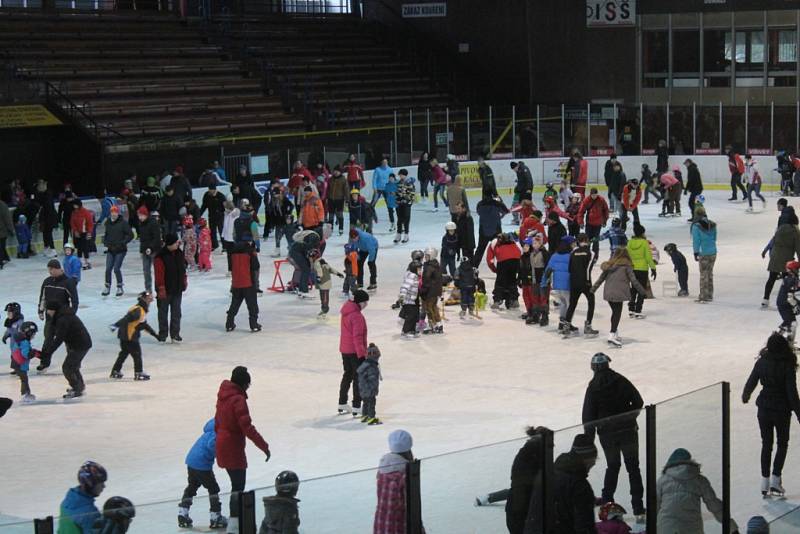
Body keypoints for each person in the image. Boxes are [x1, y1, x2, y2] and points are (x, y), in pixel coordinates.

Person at [582, 352, 645, 515]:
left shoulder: (593, 386)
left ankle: (607, 501)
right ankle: (638, 506)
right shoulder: (620, 380)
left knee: (613, 466)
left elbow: (588, 416)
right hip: (628, 431)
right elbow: (638, 401)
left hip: (607, 435)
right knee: (633, 467)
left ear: (594, 368)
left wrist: (589, 440)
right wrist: (629, 417)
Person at [742, 333, 800, 497]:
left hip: (764, 408)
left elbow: (752, 380)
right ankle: (776, 479)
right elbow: (792, 393)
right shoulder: (787, 364)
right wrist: (799, 413)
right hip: (781, 410)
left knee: (766, 443)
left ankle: (764, 481)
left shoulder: (762, 361)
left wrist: (746, 394)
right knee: (782, 443)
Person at [215, 366, 271, 527]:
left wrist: (218, 441)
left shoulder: (223, 396)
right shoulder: (238, 400)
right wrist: (264, 446)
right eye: (248, 384)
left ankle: (235, 522)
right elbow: (247, 427)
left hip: (223, 444)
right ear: (243, 384)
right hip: (232, 448)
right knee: (238, 487)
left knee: (236, 486)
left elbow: (217, 420)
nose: (248, 387)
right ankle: (235, 524)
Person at [656, 448, 738, 533]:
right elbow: (714, 504)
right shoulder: (700, 480)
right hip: (692, 528)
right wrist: (731, 526)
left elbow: (655, 506)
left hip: (667, 527)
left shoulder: (662, 481)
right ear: (690, 461)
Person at [590, 247, 647, 347]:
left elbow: (601, 278)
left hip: (608, 293)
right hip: (619, 293)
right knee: (617, 313)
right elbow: (634, 281)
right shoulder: (627, 266)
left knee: (614, 312)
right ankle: (611, 335)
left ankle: (614, 333)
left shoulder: (609, 265)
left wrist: (593, 289)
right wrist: (642, 292)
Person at [178, 418, 228, 530]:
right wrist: (221, 454)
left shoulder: (211, 428)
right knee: (213, 488)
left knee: (192, 486)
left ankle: (182, 513)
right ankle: (215, 517)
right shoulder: (218, 432)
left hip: (191, 461)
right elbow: (212, 444)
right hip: (202, 464)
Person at [41, 300, 92, 399]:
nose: (47, 312)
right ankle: (79, 387)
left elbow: (59, 338)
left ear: (53, 310)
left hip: (80, 345)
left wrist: (48, 352)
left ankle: (77, 389)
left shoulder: (63, 319)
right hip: (77, 343)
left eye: (49, 310)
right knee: (73, 366)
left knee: (67, 368)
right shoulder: (61, 315)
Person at [36, 259, 79, 371]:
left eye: (51, 269)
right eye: (48, 269)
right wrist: (40, 310)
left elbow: (74, 301)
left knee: (68, 341)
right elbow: (43, 297)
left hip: (63, 317)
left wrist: (71, 314)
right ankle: (44, 362)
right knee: (48, 340)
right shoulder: (47, 282)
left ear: (57, 269)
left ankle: (73, 363)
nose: (49, 272)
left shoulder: (68, 282)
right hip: (50, 317)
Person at [374, 429, 418, 534]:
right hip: (400, 526)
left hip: (381, 525)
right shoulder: (405, 474)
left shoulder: (382, 470)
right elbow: (412, 507)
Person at [552, 434, 598, 534]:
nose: (594, 463)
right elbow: (585, 527)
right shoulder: (580, 486)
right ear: (586, 458)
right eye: (594, 459)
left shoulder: (552, 474)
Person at [109, 291, 158, 381]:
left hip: (125, 336)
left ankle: (115, 371)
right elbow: (126, 319)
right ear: (143, 299)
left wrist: (155, 335)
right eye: (149, 297)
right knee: (137, 354)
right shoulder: (138, 310)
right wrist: (116, 325)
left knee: (124, 353)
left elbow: (144, 325)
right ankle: (138, 373)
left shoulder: (141, 309)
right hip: (129, 336)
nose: (151, 299)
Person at [338, 289, 369, 417]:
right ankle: (357, 406)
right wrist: (361, 354)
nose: (366, 305)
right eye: (365, 302)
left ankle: (342, 403)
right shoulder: (357, 316)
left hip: (345, 350)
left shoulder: (346, 311)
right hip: (355, 352)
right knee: (358, 378)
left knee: (347, 375)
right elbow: (357, 337)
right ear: (360, 302)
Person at [153, 234, 187, 342]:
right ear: (170, 244)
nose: (178, 244)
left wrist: (184, 280)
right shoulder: (160, 256)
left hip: (177, 288)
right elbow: (159, 274)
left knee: (176, 312)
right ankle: (163, 334)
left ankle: (175, 334)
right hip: (165, 289)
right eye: (176, 242)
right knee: (163, 313)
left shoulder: (179, 253)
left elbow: (182, 268)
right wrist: (161, 288)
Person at [762, 211, 800, 307]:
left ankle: (765, 299)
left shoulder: (780, 229)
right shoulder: (795, 231)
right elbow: (798, 248)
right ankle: (787, 300)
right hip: (786, 259)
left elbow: (773, 242)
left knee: (771, 278)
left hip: (775, 257)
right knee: (787, 280)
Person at [57, 461, 107, 534]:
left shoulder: (67, 501)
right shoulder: (90, 514)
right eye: (100, 483)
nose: (103, 486)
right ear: (90, 484)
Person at [564, 233, 598, 337]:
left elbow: (569, 268)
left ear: (578, 241)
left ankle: (566, 326)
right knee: (591, 302)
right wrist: (587, 281)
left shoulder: (573, 252)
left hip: (574, 281)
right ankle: (588, 326)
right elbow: (588, 268)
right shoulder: (591, 252)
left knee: (572, 304)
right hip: (585, 282)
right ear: (587, 240)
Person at [225, 242, 261, 332]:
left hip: (236, 282)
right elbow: (256, 266)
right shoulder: (250, 251)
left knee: (234, 304)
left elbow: (230, 267)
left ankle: (229, 323)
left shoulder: (232, 252)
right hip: (248, 282)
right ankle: (254, 324)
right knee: (252, 305)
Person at [101, 206, 133, 297]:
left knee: (116, 268)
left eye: (115, 212)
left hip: (121, 250)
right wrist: (106, 243)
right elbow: (106, 234)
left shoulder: (123, 223)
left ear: (118, 213)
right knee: (108, 269)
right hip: (111, 249)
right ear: (110, 213)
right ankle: (107, 286)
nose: (114, 214)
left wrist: (122, 243)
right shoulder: (108, 223)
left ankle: (119, 287)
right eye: (112, 212)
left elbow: (130, 235)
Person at [627, 224, 657, 319]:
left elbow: (627, 255)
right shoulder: (644, 243)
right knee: (641, 290)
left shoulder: (630, 242)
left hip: (632, 269)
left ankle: (631, 309)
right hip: (642, 269)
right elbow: (648, 257)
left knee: (633, 289)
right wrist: (653, 268)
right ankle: (638, 310)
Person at [488, 233, 522, 311]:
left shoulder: (493, 243)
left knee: (500, 282)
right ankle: (514, 300)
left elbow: (489, 259)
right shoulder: (512, 240)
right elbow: (519, 251)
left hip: (503, 261)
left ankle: (497, 300)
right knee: (512, 280)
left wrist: (494, 269)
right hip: (516, 259)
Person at [691, 207, 718, 303]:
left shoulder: (696, 226)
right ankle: (710, 294)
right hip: (713, 252)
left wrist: (696, 252)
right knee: (709, 273)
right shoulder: (712, 224)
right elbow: (714, 238)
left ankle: (703, 296)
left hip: (704, 252)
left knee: (703, 275)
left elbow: (696, 241)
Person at [474, 194, 509, 266]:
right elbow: (506, 211)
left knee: (480, 250)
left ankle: (474, 267)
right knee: (500, 250)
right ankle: (503, 266)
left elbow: (479, 212)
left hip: (483, 231)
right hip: (496, 231)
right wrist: (500, 215)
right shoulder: (497, 203)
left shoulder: (480, 204)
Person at [577, 188, 610, 264]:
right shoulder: (586, 200)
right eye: (593, 195)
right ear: (590, 194)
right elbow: (581, 212)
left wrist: (605, 220)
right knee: (587, 240)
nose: (594, 196)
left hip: (598, 224)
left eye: (595, 195)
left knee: (595, 240)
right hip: (589, 224)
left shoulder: (601, 200)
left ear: (597, 194)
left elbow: (606, 210)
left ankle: (595, 257)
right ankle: (587, 255)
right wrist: (581, 222)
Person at [11, 321, 39, 404]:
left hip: (17, 364)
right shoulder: (24, 342)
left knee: (24, 379)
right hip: (20, 365)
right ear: (28, 333)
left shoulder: (20, 340)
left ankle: (27, 394)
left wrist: (35, 352)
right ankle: (25, 395)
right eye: (33, 334)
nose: (34, 336)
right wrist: (34, 353)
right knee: (24, 380)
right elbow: (26, 354)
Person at [137, 207, 162, 293]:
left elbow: (156, 238)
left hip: (154, 250)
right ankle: (148, 289)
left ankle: (159, 288)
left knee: (157, 270)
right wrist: (141, 250)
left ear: (146, 215)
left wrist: (150, 248)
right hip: (145, 251)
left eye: (141, 215)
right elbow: (142, 239)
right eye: (139, 215)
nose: (140, 217)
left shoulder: (153, 223)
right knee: (146, 271)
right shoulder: (141, 224)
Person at [357, 343, 382, 425]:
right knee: (371, 403)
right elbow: (372, 379)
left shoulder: (365, 364)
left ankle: (365, 416)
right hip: (369, 389)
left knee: (365, 402)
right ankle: (371, 417)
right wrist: (373, 389)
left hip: (363, 389)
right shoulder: (372, 366)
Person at [312, 253, 343, 318]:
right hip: (325, 282)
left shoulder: (317, 263)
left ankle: (325, 310)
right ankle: (324, 309)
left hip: (324, 282)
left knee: (324, 297)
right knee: (323, 296)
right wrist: (338, 273)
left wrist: (318, 278)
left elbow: (319, 271)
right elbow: (330, 269)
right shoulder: (322, 261)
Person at [397, 260, 422, 338]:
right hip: (408, 300)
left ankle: (412, 330)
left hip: (413, 300)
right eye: (419, 269)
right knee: (410, 316)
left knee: (414, 316)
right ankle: (405, 331)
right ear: (414, 269)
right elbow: (404, 287)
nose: (420, 271)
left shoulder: (415, 276)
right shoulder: (411, 276)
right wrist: (401, 297)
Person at [199, 183, 226, 250]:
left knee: (221, 231)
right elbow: (204, 206)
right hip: (211, 216)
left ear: (214, 190)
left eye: (211, 190)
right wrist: (199, 214)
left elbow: (225, 207)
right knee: (212, 231)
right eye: (209, 190)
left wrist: (221, 212)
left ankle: (225, 246)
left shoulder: (221, 196)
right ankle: (214, 245)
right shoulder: (206, 195)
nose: (210, 191)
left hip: (220, 216)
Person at [70, 198, 94, 269]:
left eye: (76, 205)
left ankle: (87, 262)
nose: (74, 206)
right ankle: (79, 261)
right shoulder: (73, 212)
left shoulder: (85, 212)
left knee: (85, 247)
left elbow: (90, 223)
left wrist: (89, 232)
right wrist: (75, 231)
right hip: (77, 233)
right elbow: (72, 222)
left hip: (85, 232)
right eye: (74, 205)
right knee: (79, 247)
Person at [394, 169, 415, 243]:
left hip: (406, 204)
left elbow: (412, 194)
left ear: (404, 175)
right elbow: (397, 192)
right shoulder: (398, 183)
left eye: (401, 175)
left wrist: (406, 199)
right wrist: (396, 197)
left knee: (406, 219)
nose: (400, 176)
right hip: (399, 203)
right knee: (399, 219)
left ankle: (406, 234)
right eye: (399, 175)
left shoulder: (409, 183)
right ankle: (398, 234)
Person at [326, 166, 348, 236]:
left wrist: (347, 199)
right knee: (331, 215)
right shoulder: (330, 179)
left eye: (337, 171)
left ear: (340, 172)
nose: (335, 172)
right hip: (331, 199)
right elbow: (328, 188)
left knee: (340, 214)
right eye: (334, 171)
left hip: (339, 199)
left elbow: (346, 190)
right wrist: (327, 197)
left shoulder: (343, 179)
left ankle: (341, 228)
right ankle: (330, 229)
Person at [0, 194, 13, 268]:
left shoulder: (2, 205)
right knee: (1, 246)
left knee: (1, 247)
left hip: (2, 231)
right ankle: (5, 258)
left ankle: (1, 262)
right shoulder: (3, 205)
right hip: (2, 231)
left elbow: (7, 219)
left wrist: (10, 229)